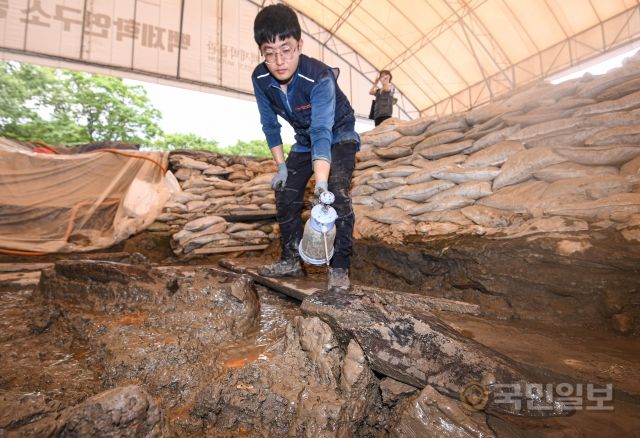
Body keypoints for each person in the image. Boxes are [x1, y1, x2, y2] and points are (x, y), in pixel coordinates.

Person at [251, 4, 360, 291]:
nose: (279, 61)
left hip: (337, 135)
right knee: (285, 195)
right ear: (262, 52)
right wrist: (281, 166)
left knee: (337, 194)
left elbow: (322, 131)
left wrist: (321, 184)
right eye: (269, 53)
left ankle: (339, 268)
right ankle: (289, 259)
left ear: (299, 45)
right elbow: (269, 125)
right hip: (303, 140)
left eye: (286, 50)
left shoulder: (319, 77)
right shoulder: (260, 78)